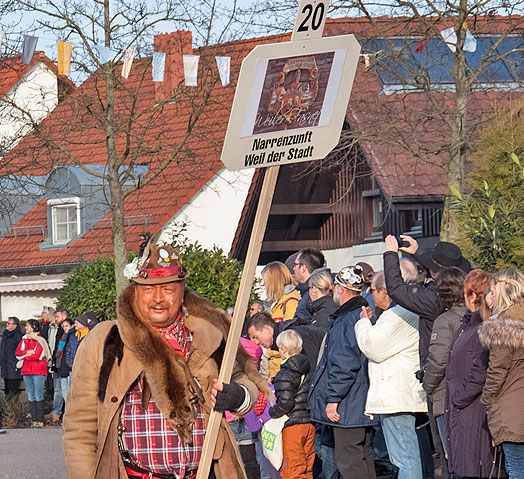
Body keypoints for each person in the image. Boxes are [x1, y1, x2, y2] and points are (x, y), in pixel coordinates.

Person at [62, 238, 270, 479]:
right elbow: (80, 428)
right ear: (135, 292)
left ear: (182, 293)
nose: (158, 298)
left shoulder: (209, 334)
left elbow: (248, 381)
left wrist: (238, 395)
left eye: (168, 289)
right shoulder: (105, 341)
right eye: (149, 289)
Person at [355, 271, 427, 479]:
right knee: (412, 454)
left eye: (374, 291)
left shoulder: (398, 313)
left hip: (397, 396)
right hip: (404, 393)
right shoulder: (408, 310)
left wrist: (362, 323)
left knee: (404, 456)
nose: (373, 296)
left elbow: (372, 346)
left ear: (385, 292)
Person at [308, 265, 378, 479]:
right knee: (363, 456)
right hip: (362, 400)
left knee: (350, 461)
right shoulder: (363, 315)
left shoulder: (346, 319)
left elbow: (344, 364)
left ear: (341, 289)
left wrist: (333, 399)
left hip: (349, 403)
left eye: (335, 286)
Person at [445, 269, 503, 478]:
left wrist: (459, 396)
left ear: (472, 296)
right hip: (462, 410)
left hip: (474, 410)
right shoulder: (467, 326)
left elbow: (483, 369)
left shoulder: (484, 327)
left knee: (477, 467)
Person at [480, 269, 524, 478]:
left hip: (512, 408)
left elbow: (497, 370)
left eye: (493, 289)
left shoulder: (504, 324)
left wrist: (487, 399)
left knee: (516, 468)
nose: (492, 295)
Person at [422, 267, 467, 462]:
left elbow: (438, 360)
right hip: (470, 393)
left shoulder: (444, 321)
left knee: (453, 456)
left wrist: (427, 385)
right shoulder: (475, 316)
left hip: (446, 395)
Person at [269, 330, 315, 479]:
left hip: (292, 425)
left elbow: (286, 403)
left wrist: (272, 412)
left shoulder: (284, 374)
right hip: (308, 423)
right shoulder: (308, 370)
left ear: (283, 348)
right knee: (307, 469)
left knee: (292, 471)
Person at [15, 319, 52, 428]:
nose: (25, 328)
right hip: (26, 371)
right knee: (30, 395)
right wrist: (28, 353)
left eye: (27, 326)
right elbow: (18, 354)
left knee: (38, 394)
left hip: (38, 371)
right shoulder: (24, 339)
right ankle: (34, 420)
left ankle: (40, 420)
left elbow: (38, 355)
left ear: (34, 327)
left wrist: (26, 355)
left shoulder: (40, 340)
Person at [42, 309, 66, 422]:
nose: (55, 319)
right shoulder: (48, 328)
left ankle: (62, 412)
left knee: (64, 390)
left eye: (57, 316)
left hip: (63, 364)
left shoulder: (64, 329)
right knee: (57, 389)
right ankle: (56, 412)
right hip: (54, 363)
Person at [291, 248, 326, 324]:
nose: (293, 268)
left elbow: (300, 322)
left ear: (303, 268)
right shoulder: (308, 290)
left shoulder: (313, 292)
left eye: (295, 264)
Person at [1, 316, 24, 398]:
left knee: (13, 390)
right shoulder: (5, 334)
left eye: (9, 323)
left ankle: (14, 408)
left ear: (15, 325)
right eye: (7, 323)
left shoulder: (18, 335)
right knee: (6, 390)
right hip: (5, 366)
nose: (7, 325)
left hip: (14, 366)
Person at [54, 317, 74, 402]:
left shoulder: (73, 336)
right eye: (63, 326)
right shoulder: (63, 336)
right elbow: (59, 351)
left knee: (69, 392)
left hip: (69, 367)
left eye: (67, 326)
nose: (65, 328)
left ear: (72, 326)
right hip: (62, 367)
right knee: (64, 392)